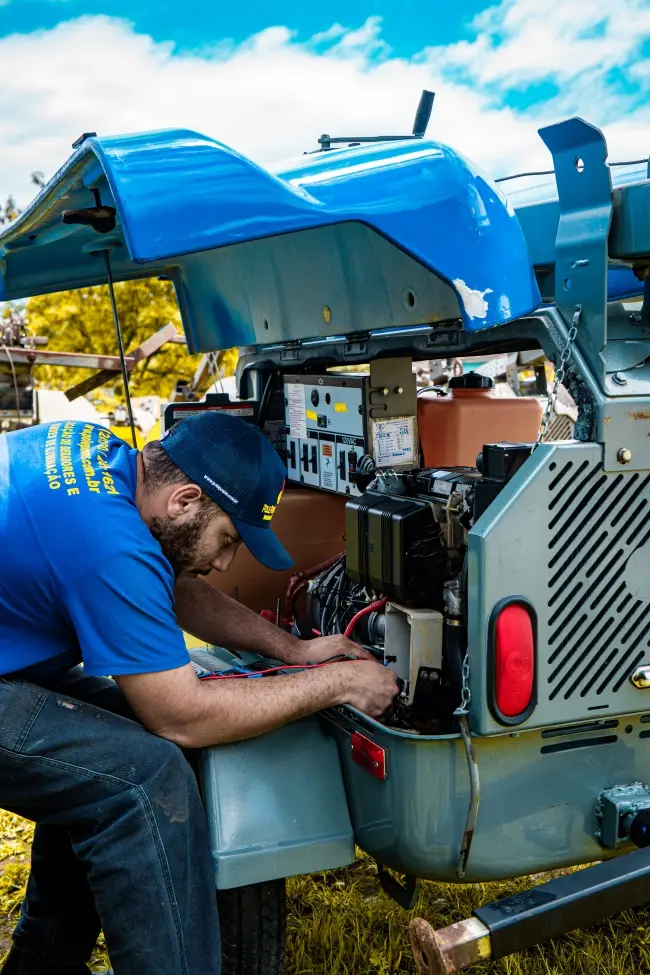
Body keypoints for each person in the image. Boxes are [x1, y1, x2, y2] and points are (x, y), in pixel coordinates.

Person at [0, 412, 398, 975]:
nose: (224, 563)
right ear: (185, 501)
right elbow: (181, 716)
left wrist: (295, 650)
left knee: (104, 752)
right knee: (142, 778)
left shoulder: (109, 462)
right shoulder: (109, 542)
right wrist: (339, 682)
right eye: (227, 539)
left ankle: (41, 965)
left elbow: (173, 588)